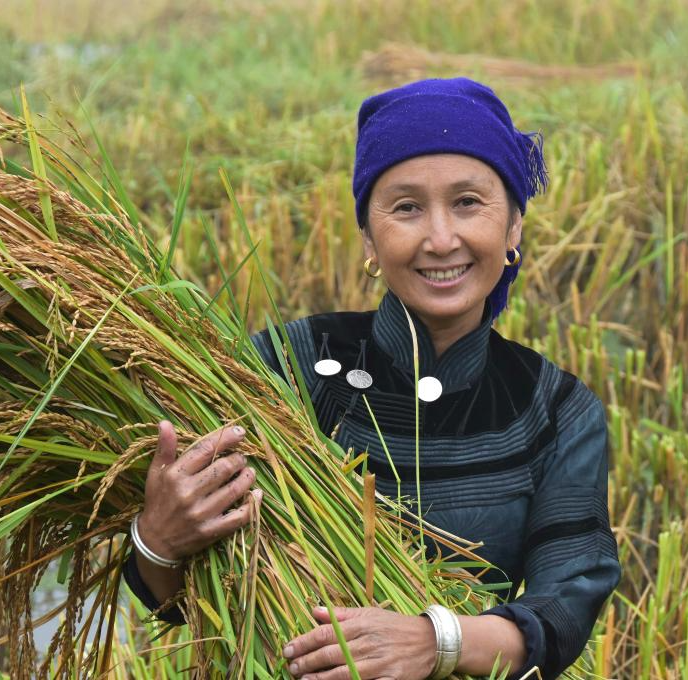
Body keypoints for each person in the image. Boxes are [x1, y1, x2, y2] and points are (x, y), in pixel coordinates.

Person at [123, 77, 621, 680]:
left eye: (468, 202)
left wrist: (436, 642)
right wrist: (159, 539)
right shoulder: (281, 366)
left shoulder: (554, 408)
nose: (441, 239)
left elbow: (565, 605)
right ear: (368, 235)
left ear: (512, 227)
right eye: (407, 207)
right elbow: (176, 601)